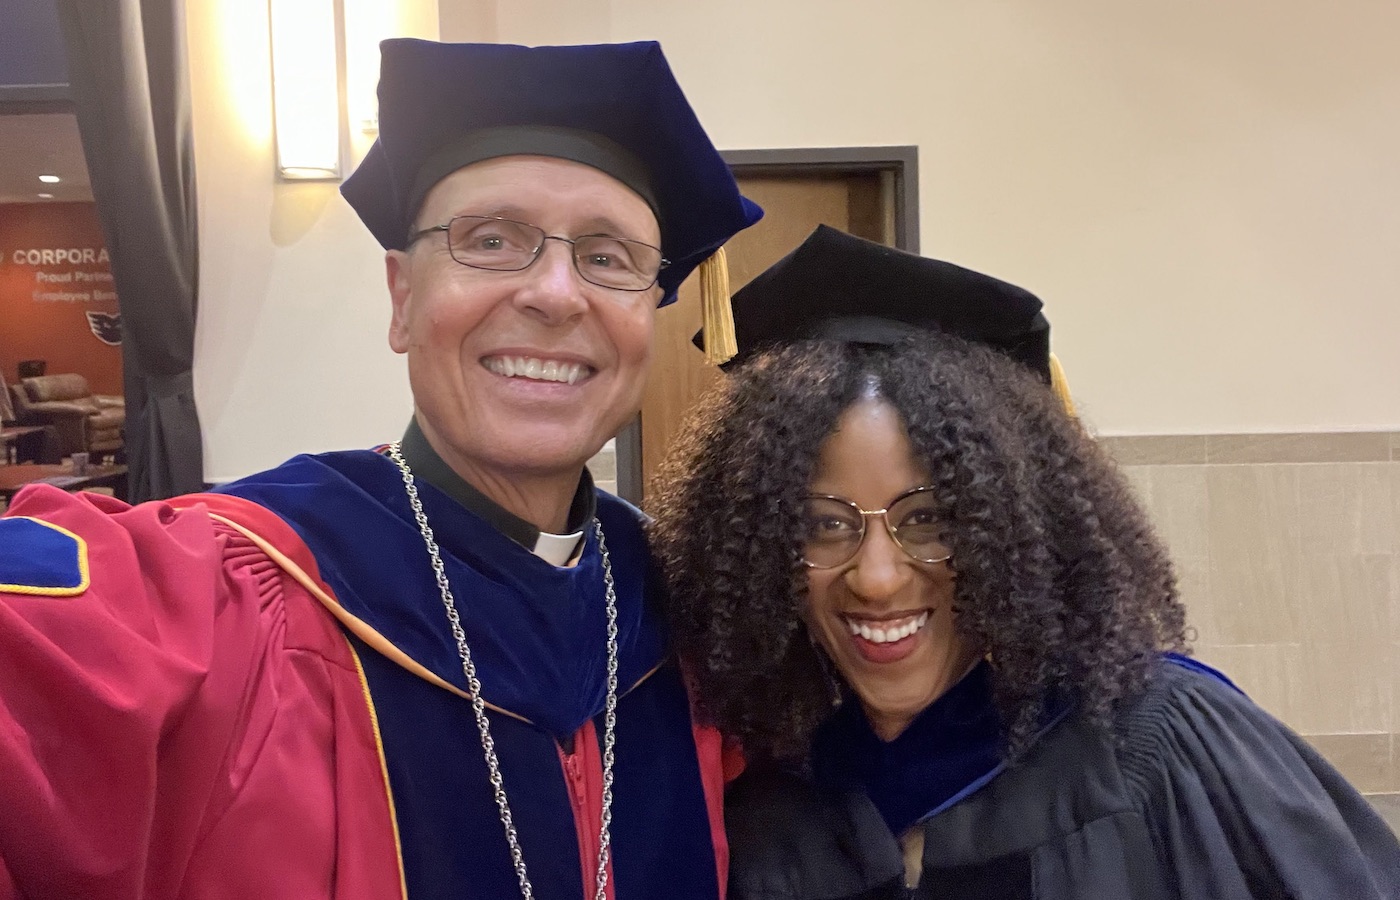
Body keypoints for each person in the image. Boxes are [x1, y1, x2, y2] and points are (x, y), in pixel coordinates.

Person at [0, 40, 762, 900]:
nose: (556, 293)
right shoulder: (227, 593)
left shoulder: (690, 612)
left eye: (609, 256)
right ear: (402, 300)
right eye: (492, 239)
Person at [649, 225, 1400, 899]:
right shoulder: (771, 806)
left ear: (1010, 526)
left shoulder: (1165, 751)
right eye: (821, 525)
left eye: (931, 518)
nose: (876, 577)